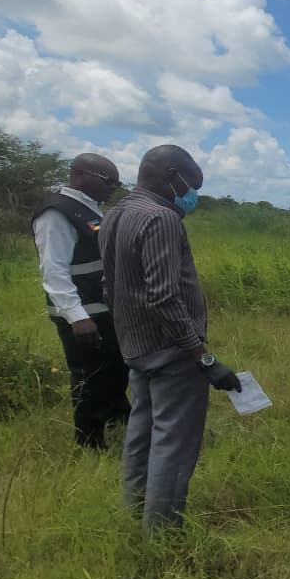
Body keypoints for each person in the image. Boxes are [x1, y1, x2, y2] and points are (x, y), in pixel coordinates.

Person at [99, 144, 243, 534]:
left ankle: (135, 512)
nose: (191, 195)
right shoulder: (161, 218)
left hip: (136, 347)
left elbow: (109, 286)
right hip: (171, 352)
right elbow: (164, 296)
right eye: (190, 185)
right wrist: (202, 357)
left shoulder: (115, 214)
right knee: (173, 444)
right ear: (170, 175)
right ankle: (162, 534)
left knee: (142, 433)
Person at [31, 153, 130, 450]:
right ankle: (90, 442)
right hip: (84, 315)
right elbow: (54, 269)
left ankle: (117, 420)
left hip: (103, 310)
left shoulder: (90, 209)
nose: (113, 187)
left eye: (116, 183)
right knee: (91, 377)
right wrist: (77, 316)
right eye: (107, 181)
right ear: (79, 175)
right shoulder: (57, 213)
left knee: (115, 369)